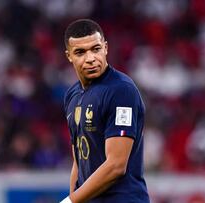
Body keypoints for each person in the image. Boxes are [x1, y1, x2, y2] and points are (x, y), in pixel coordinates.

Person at [60, 19, 150, 203]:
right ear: (69, 56)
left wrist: (70, 201)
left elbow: (116, 165)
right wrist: (74, 198)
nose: (91, 58)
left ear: (106, 48)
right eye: (80, 52)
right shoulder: (72, 95)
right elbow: (79, 160)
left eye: (96, 49)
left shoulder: (121, 90)